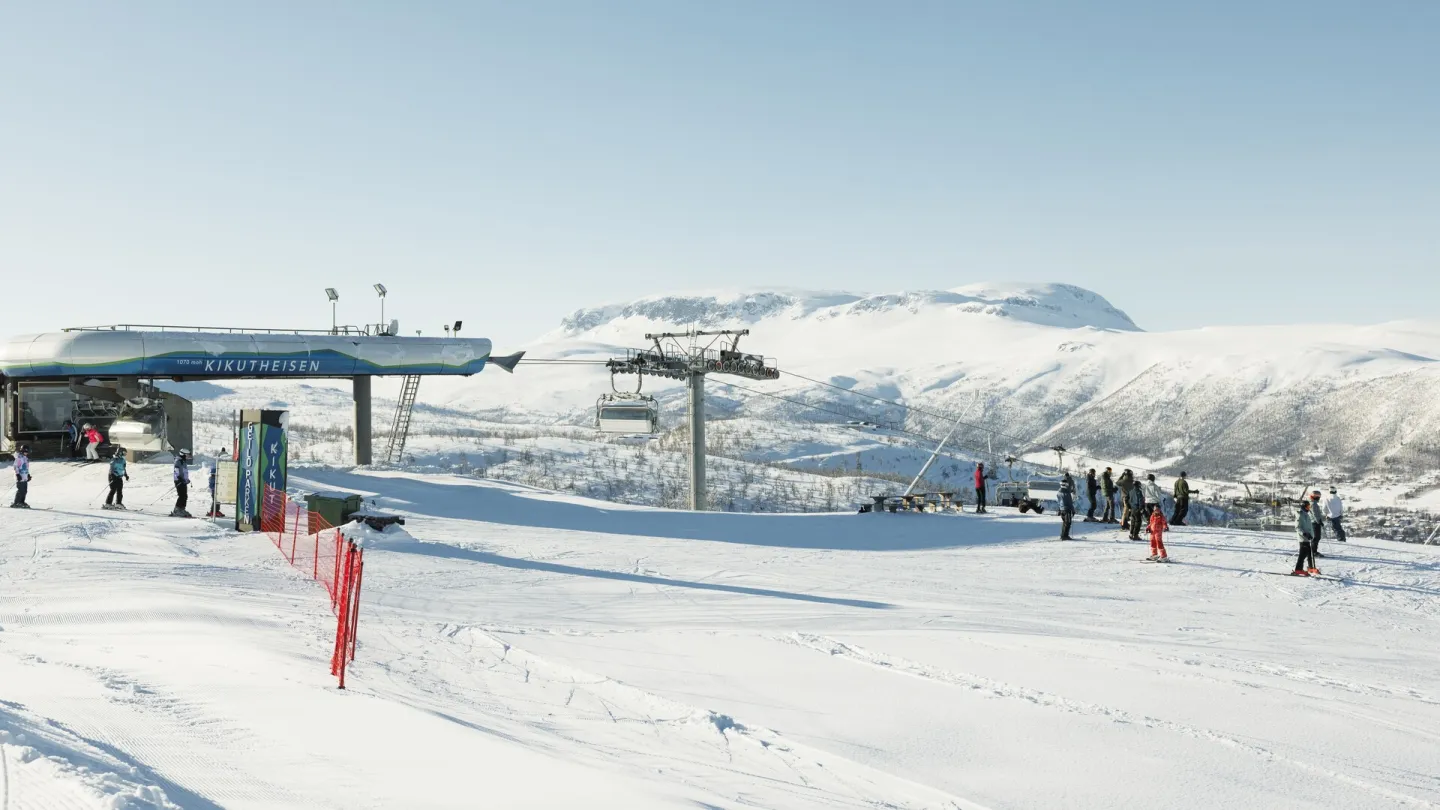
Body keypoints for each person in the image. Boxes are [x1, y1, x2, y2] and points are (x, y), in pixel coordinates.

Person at [1294, 501, 1319, 576]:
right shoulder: (1300, 515)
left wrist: (1311, 535)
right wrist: (1305, 534)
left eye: (1309, 507)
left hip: (1308, 537)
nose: (1309, 508)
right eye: (1307, 507)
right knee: (1303, 554)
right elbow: (1297, 527)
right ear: (1303, 507)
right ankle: (1298, 569)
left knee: (1310, 553)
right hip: (1303, 538)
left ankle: (1311, 567)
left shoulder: (1306, 514)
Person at [171, 449, 192, 518]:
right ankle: (177, 510)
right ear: (183, 454)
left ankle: (182, 509)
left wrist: (186, 479)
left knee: (185, 496)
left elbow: (184, 472)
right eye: (187, 455)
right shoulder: (178, 461)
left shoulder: (183, 461)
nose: (188, 456)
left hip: (183, 481)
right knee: (182, 496)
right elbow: (176, 470)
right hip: (179, 481)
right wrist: (179, 479)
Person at [207, 450, 227, 517]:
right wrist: (214, 489)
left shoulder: (217, 475)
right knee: (215, 501)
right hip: (215, 490)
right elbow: (211, 485)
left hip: (218, 490)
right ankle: (213, 511)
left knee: (218, 501)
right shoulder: (212, 478)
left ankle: (217, 510)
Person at [1059, 473, 1076, 540]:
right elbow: (1070, 502)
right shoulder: (1067, 492)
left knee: (1065, 522)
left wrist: (1059, 508)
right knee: (1068, 523)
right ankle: (1065, 536)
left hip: (1062, 508)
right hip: (1067, 509)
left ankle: (1062, 535)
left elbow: (1058, 500)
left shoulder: (1059, 492)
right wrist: (1073, 510)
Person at [1308, 490, 1326, 557]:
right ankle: (1313, 552)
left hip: (1314, 522)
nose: (1319, 498)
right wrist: (1319, 521)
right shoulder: (1313, 504)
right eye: (1318, 496)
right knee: (1316, 537)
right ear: (1314, 496)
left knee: (1316, 537)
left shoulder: (1313, 503)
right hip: (1314, 523)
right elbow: (1315, 514)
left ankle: (1313, 551)